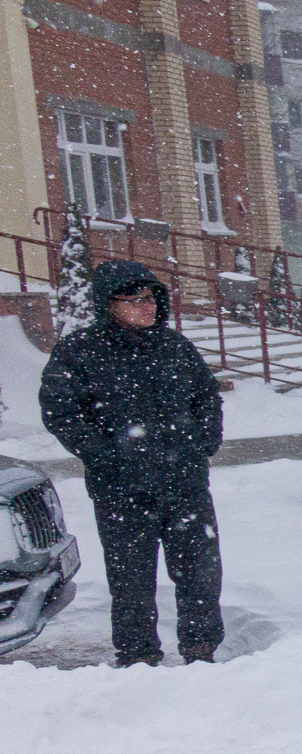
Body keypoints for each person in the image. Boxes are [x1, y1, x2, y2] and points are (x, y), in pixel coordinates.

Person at [39, 259, 225, 667]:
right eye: (136, 299)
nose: (148, 306)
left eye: (152, 298)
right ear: (109, 305)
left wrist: (202, 443)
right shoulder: (79, 351)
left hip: (185, 484)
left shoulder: (174, 347)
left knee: (200, 574)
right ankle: (138, 657)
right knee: (131, 581)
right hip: (121, 491)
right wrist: (106, 455)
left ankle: (201, 649)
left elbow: (206, 397)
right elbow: (60, 411)